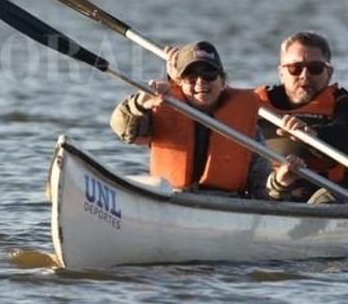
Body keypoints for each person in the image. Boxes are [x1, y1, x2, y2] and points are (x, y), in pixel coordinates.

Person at [109, 40, 304, 199]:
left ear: (222, 80)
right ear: (179, 82)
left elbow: (262, 193)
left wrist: (281, 182)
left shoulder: (248, 129)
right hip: (173, 198)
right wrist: (139, 103)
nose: (200, 82)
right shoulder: (160, 110)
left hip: (226, 206)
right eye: (191, 76)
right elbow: (123, 130)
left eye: (209, 74)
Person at [254, 31, 348, 203]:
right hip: (267, 190)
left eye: (315, 68)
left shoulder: (346, 106)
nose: (305, 75)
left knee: (327, 198)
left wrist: (313, 135)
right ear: (281, 72)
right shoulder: (255, 104)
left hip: (326, 193)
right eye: (295, 68)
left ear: (329, 73)